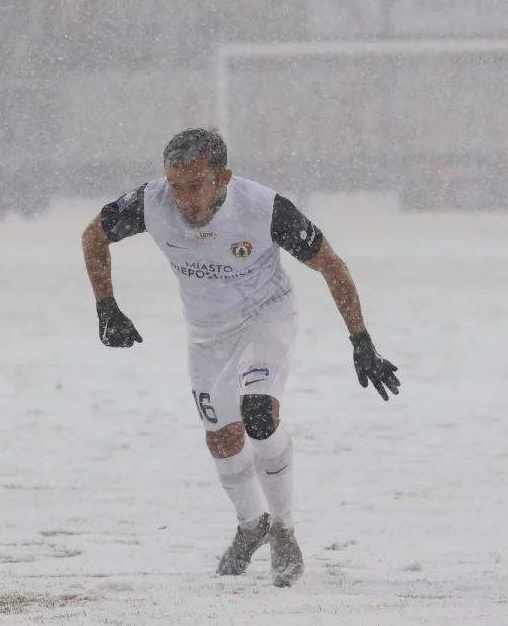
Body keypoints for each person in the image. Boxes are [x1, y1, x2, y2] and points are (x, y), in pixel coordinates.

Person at [81, 128, 400, 587]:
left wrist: (361, 341)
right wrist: (106, 306)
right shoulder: (150, 203)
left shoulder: (263, 208)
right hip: (207, 335)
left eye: (195, 186)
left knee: (258, 414)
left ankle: (285, 529)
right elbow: (93, 234)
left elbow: (331, 264)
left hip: (264, 318)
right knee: (221, 439)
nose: (184, 200)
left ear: (223, 177)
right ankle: (253, 526)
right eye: (176, 186)